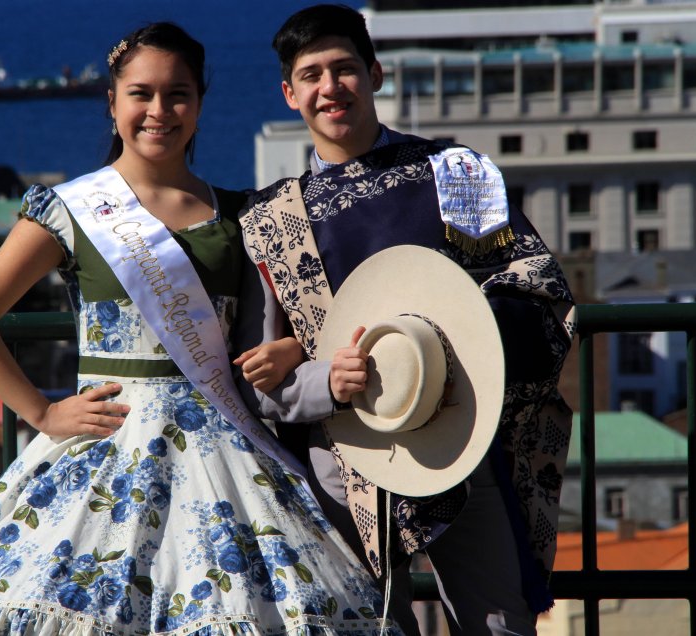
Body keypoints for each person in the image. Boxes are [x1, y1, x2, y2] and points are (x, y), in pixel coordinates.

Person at [0, 22, 403, 636]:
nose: (159, 111)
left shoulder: (244, 214)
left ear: (199, 103)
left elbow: (286, 324)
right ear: (112, 102)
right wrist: (42, 413)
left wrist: (289, 347)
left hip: (227, 454)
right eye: (141, 94)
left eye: (178, 94)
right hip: (110, 443)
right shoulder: (71, 210)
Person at [233, 5, 577, 635]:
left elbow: (536, 290)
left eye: (344, 69)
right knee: (368, 629)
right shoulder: (270, 220)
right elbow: (259, 384)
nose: (330, 87)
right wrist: (320, 375)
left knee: (500, 625)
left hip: (464, 442)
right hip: (347, 462)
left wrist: (442, 345)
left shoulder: (458, 172)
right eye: (311, 75)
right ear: (289, 94)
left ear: (375, 74)